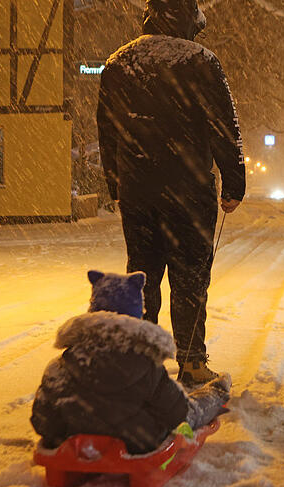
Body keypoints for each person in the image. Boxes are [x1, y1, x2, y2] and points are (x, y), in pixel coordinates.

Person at [96, 0, 244, 386]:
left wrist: (116, 183)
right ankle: (192, 362)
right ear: (191, 21)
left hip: (138, 190)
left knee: (143, 274)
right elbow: (224, 126)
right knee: (190, 277)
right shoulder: (202, 62)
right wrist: (233, 180)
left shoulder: (119, 64)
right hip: (188, 190)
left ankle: (143, 359)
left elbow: (107, 131)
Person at [30, 270, 231, 454]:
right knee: (188, 411)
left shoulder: (60, 365)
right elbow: (179, 413)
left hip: (71, 440)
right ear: (136, 314)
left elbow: (41, 419)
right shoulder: (145, 364)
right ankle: (218, 391)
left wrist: (67, 430)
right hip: (137, 442)